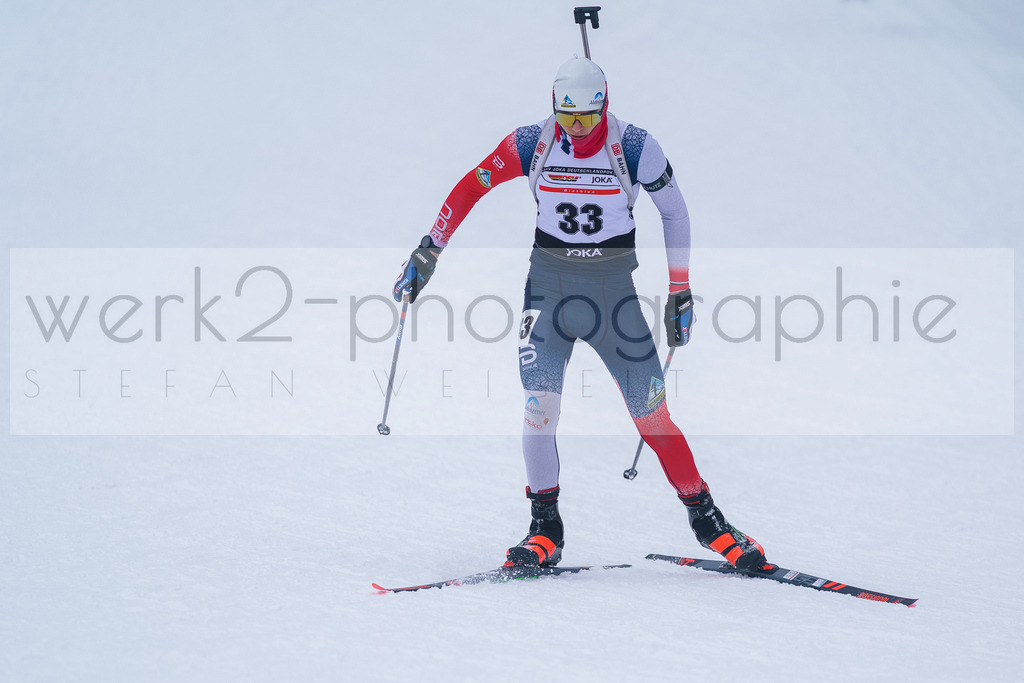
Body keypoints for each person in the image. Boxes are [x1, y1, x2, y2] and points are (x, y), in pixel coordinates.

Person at [393, 57, 767, 571]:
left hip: (613, 297)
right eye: (567, 117)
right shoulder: (531, 142)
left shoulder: (635, 146)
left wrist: (680, 289)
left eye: (587, 118)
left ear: (604, 106)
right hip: (547, 293)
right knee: (538, 408)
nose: (576, 129)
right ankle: (545, 528)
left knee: (652, 415)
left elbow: (674, 212)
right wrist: (429, 248)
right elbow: (472, 184)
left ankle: (708, 521)